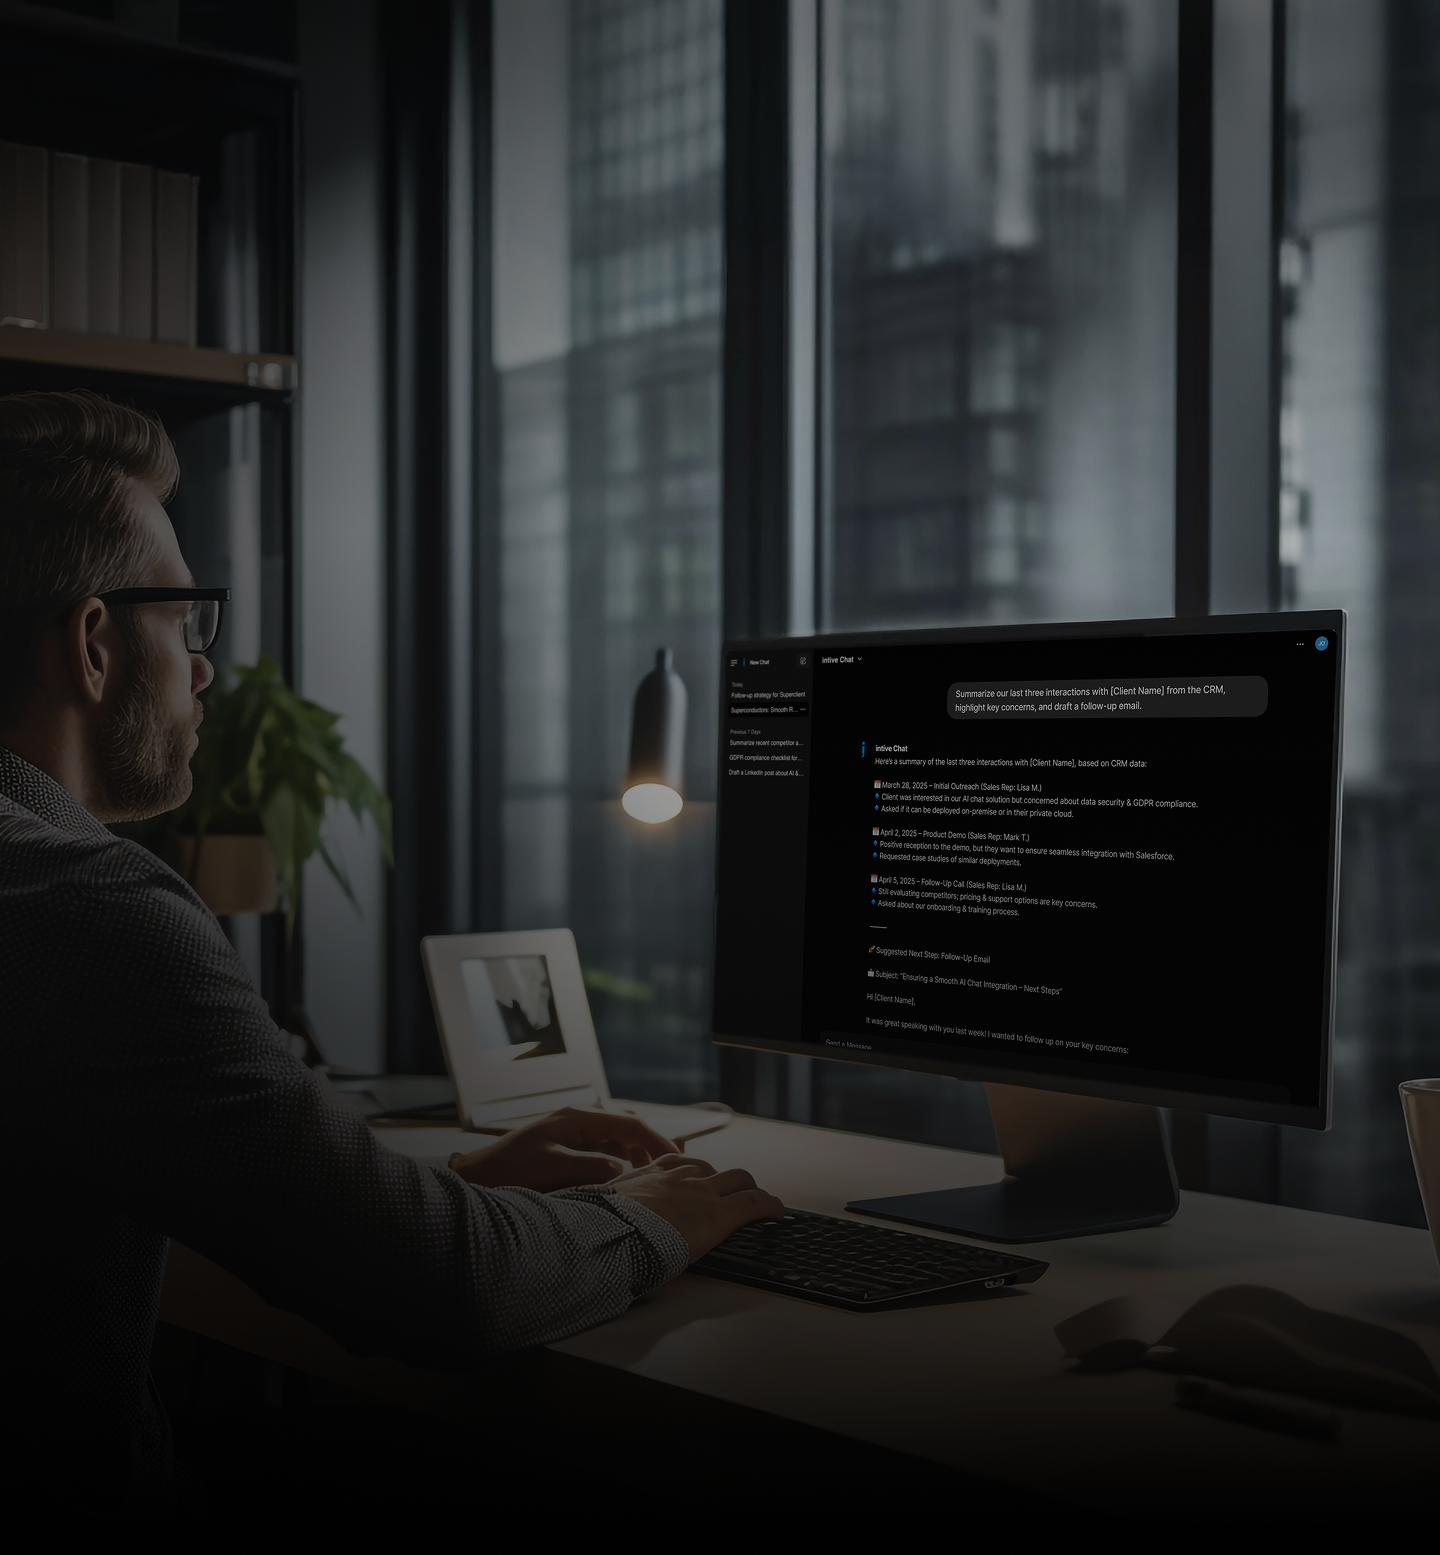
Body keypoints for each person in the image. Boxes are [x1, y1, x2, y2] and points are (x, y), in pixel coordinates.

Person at [0, 389, 782, 1517]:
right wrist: (660, 1212)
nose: (206, 670)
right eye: (187, 622)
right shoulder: (85, 905)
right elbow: (444, 1292)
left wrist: (429, 1192)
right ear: (92, 642)